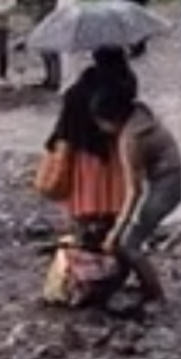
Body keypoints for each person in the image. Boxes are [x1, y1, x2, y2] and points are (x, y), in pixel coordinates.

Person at [94, 85, 181, 307]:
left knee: (129, 244)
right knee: (130, 236)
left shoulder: (130, 139)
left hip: (165, 188)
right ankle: (137, 284)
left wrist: (115, 231)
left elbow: (134, 191)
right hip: (172, 179)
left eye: (101, 123)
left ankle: (155, 294)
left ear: (112, 119)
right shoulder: (141, 115)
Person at [45, 48, 135, 248]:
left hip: (86, 158)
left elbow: (66, 127)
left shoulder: (79, 90)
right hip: (118, 157)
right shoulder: (127, 87)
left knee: (88, 211)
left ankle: (88, 245)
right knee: (116, 208)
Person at [39, 0, 80, 92]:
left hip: (70, 24)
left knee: (70, 56)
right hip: (61, 23)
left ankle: (72, 82)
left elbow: (71, 8)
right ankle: (65, 82)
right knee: (63, 56)